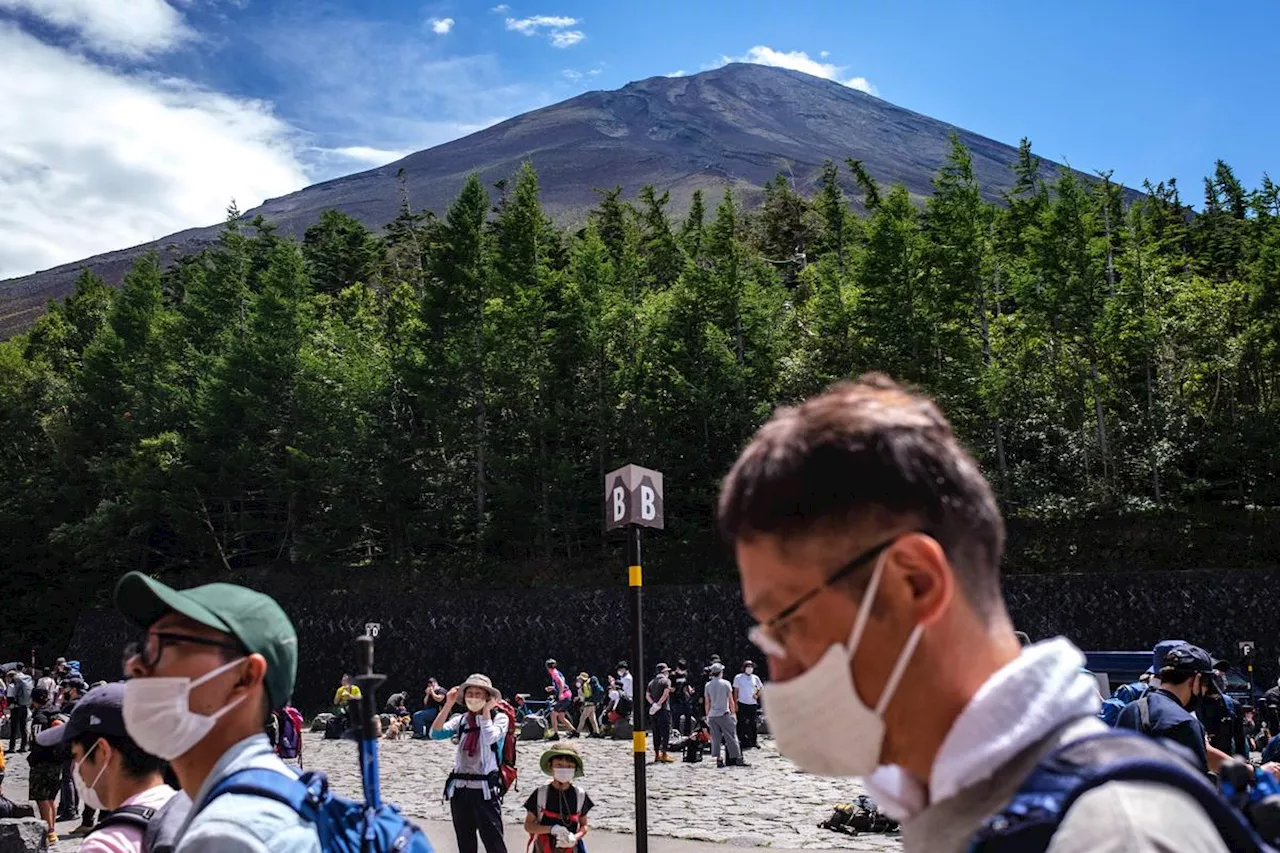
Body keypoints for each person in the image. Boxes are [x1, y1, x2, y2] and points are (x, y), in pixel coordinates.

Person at [716, 374, 1233, 852]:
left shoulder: (1113, 835)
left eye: (785, 622)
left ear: (913, 584)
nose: (776, 671)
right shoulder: (952, 803)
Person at [114, 570, 320, 853]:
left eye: (169, 643)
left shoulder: (228, 836)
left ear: (245, 677)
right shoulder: (288, 786)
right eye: (142, 646)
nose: (136, 663)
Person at [33, 681, 183, 853]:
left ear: (103, 752)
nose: (78, 770)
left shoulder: (106, 845)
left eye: (77, 756)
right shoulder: (190, 809)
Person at [431, 673, 509, 853]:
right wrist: (448, 703)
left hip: (485, 791)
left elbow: (490, 737)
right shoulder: (462, 720)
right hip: (460, 790)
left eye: (478, 694)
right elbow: (435, 733)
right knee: (465, 843)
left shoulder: (500, 719)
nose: (473, 698)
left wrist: (486, 711)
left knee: (494, 843)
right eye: (470, 693)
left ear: (488, 698)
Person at [1116, 644, 1219, 775]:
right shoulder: (1185, 723)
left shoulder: (1130, 710)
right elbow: (1196, 786)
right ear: (1197, 679)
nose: (1205, 692)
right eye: (1206, 684)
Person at [524, 744, 593, 853]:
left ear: (575, 769)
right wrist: (551, 829)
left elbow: (584, 825)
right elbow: (528, 826)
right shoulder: (540, 794)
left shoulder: (580, 795)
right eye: (559, 765)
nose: (564, 769)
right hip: (543, 848)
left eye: (569, 766)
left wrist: (575, 838)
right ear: (551, 767)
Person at [27, 687, 65, 844]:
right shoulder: (56, 712)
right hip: (57, 761)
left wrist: (33, 758)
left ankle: (49, 833)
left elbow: (38, 740)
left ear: (34, 700)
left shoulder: (40, 717)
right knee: (50, 798)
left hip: (42, 762)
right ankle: (52, 830)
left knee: (41, 798)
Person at [703, 663, 745, 768]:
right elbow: (730, 700)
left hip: (713, 715)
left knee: (716, 738)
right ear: (721, 672)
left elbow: (707, 702)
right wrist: (734, 713)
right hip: (724, 714)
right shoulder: (726, 683)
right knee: (731, 736)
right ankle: (738, 758)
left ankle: (719, 759)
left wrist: (707, 715)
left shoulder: (708, 685)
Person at [646, 663, 674, 763]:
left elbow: (647, 695)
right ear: (664, 671)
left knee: (656, 732)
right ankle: (664, 754)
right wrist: (659, 703)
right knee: (665, 732)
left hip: (653, 710)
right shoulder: (666, 681)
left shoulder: (651, 682)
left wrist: (653, 704)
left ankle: (657, 754)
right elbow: (666, 693)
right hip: (664, 709)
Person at [733, 660, 763, 749]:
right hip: (742, 702)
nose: (750, 669)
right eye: (748, 667)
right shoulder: (738, 677)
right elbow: (736, 691)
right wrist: (735, 703)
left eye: (751, 667)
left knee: (753, 723)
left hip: (752, 703)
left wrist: (757, 695)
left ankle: (754, 741)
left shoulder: (755, 678)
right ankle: (741, 740)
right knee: (741, 723)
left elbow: (761, 688)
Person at [544, 659, 576, 740]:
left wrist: (560, 693)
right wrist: (552, 688)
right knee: (561, 717)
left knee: (553, 714)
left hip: (564, 696)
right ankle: (574, 731)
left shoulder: (554, 673)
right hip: (568, 695)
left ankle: (556, 734)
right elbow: (560, 684)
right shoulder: (557, 672)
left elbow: (561, 682)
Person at [8, 663, 32, 753]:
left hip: (15, 706)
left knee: (14, 727)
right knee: (23, 727)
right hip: (24, 706)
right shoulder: (27, 678)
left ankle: (12, 747)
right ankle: (23, 746)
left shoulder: (14, 678)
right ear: (24, 668)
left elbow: (11, 692)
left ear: (15, 668)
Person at [671, 660, 694, 737]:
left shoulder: (685, 675)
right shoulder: (673, 676)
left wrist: (690, 689)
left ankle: (687, 733)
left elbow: (687, 684)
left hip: (685, 699)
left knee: (688, 716)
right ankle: (676, 733)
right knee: (676, 718)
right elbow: (671, 687)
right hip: (676, 700)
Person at [575, 673, 601, 738]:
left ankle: (577, 732)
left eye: (580, 679)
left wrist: (580, 698)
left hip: (589, 704)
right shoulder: (588, 684)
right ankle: (596, 732)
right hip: (593, 704)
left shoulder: (585, 685)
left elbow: (586, 696)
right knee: (592, 719)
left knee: (582, 718)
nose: (579, 680)